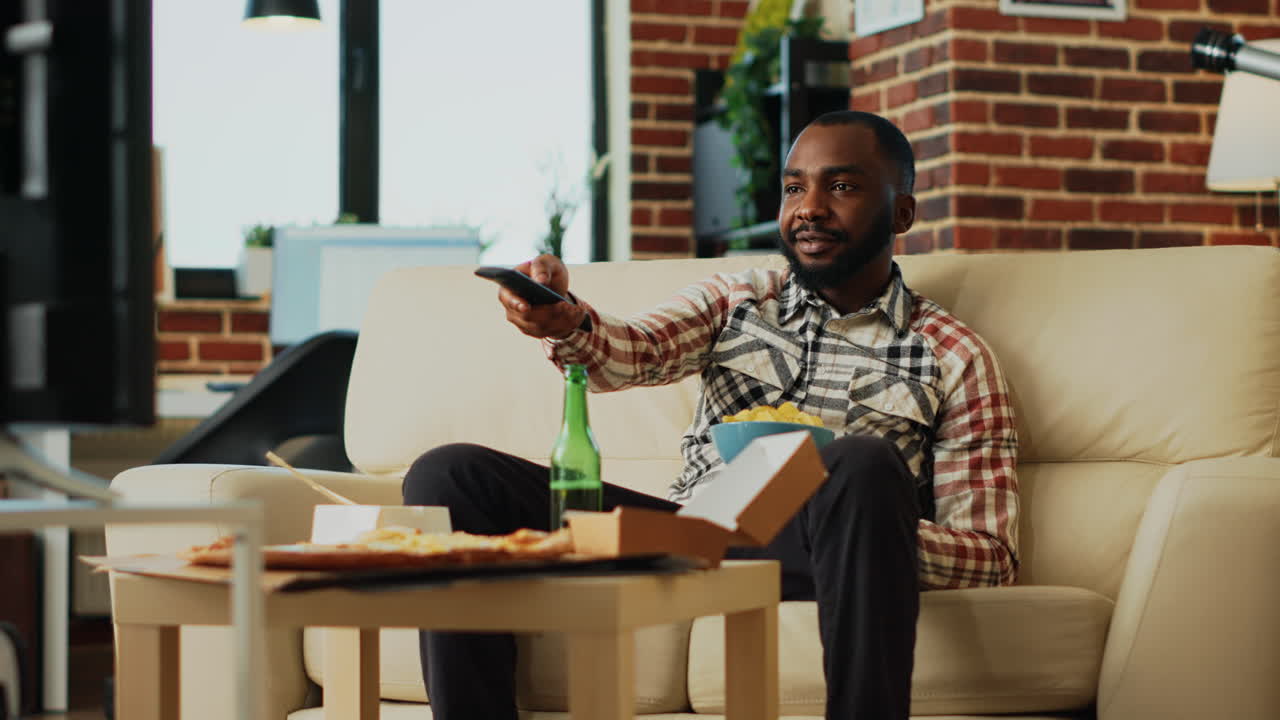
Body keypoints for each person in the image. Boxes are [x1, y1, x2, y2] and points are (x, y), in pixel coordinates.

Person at [402, 110, 1019, 720]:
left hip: (812, 554)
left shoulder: (952, 355)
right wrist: (568, 321)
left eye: (843, 186)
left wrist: (860, 533)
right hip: (687, 534)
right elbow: (632, 351)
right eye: (794, 187)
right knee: (449, 474)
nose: (809, 207)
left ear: (902, 213)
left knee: (859, 461)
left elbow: (990, 554)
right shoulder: (738, 300)